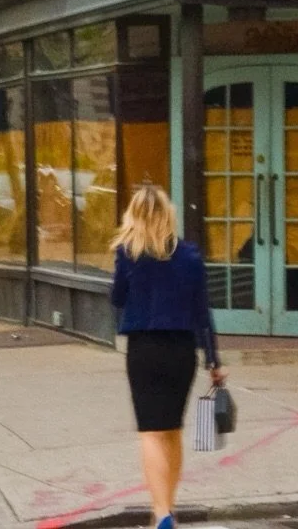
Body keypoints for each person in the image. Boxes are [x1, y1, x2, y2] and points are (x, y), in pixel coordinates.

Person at [109, 185, 224, 529]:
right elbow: (202, 312)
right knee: (172, 431)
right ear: (168, 214)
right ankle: (167, 506)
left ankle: (161, 513)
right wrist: (214, 360)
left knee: (150, 433)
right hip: (181, 352)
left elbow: (117, 298)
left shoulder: (128, 253)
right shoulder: (190, 255)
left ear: (134, 215)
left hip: (144, 351)